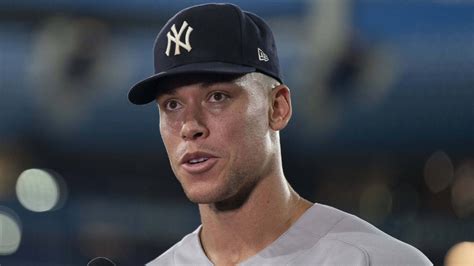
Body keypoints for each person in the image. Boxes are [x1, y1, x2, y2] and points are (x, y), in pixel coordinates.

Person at [128, 3, 432, 265]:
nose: (189, 125)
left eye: (217, 97)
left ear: (278, 108)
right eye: (172, 104)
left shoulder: (375, 260)